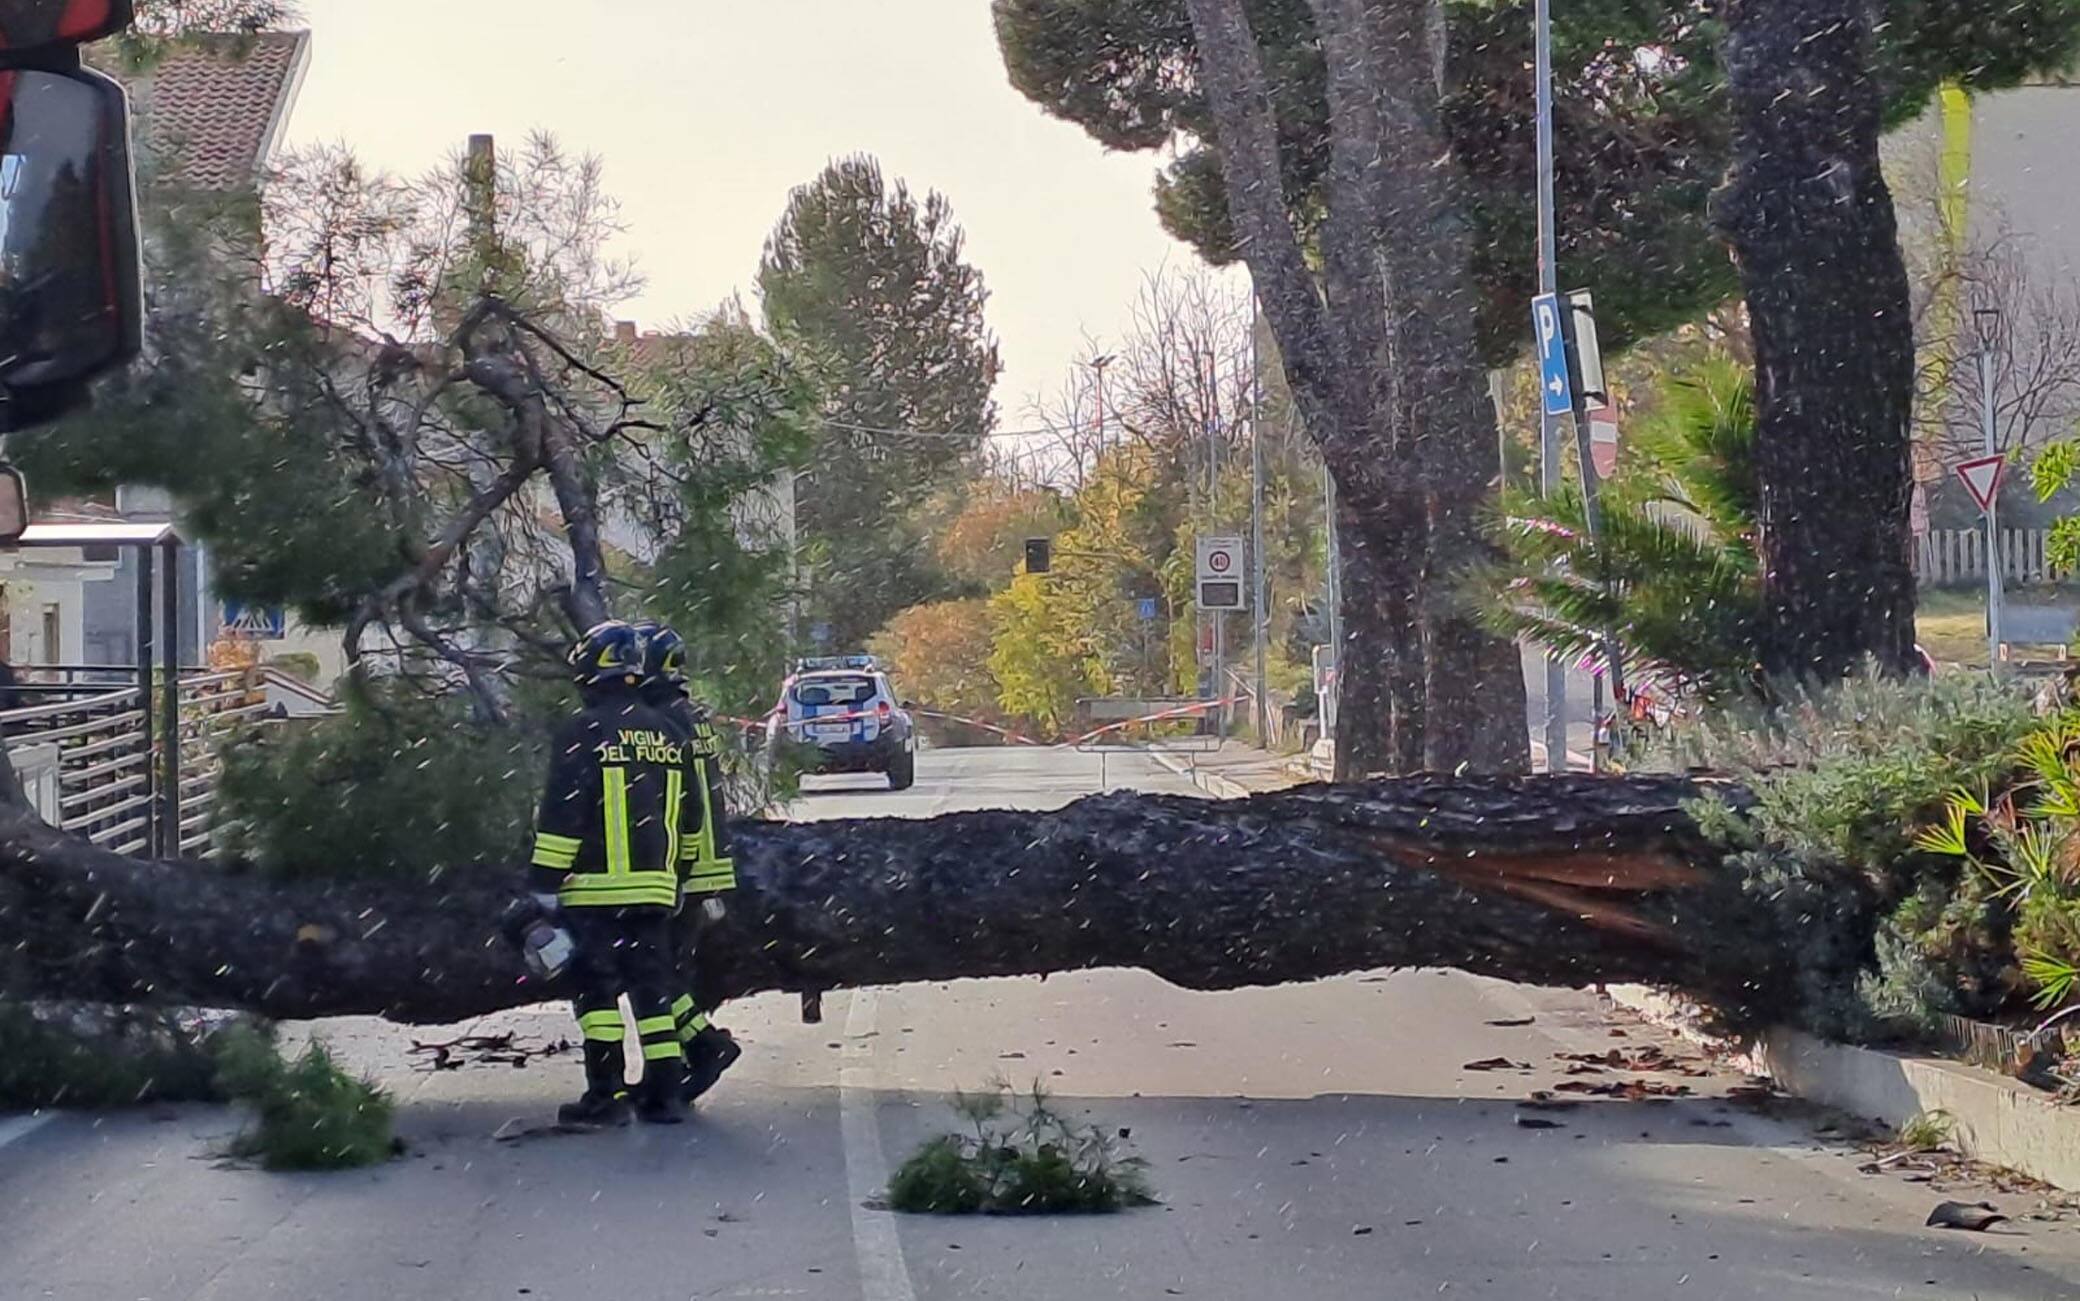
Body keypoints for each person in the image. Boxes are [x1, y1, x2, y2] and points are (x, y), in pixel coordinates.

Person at [527, 620, 688, 1127]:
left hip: (595, 891)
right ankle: (665, 1093)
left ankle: (607, 1094)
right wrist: (679, 877)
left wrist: (544, 886)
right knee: (652, 993)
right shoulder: (668, 731)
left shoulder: (582, 731)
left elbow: (562, 816)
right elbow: (686, 814)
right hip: (657, 889)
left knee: (595, 994)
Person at [632, 620, 743, 1104]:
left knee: (655, 975)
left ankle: (704, 1045)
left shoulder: (662, 720)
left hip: (684, 870)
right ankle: (678, 1062)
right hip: (705, 867)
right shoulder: (689, 715)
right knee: (667, 972)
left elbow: (676, 806)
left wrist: (672, 873)